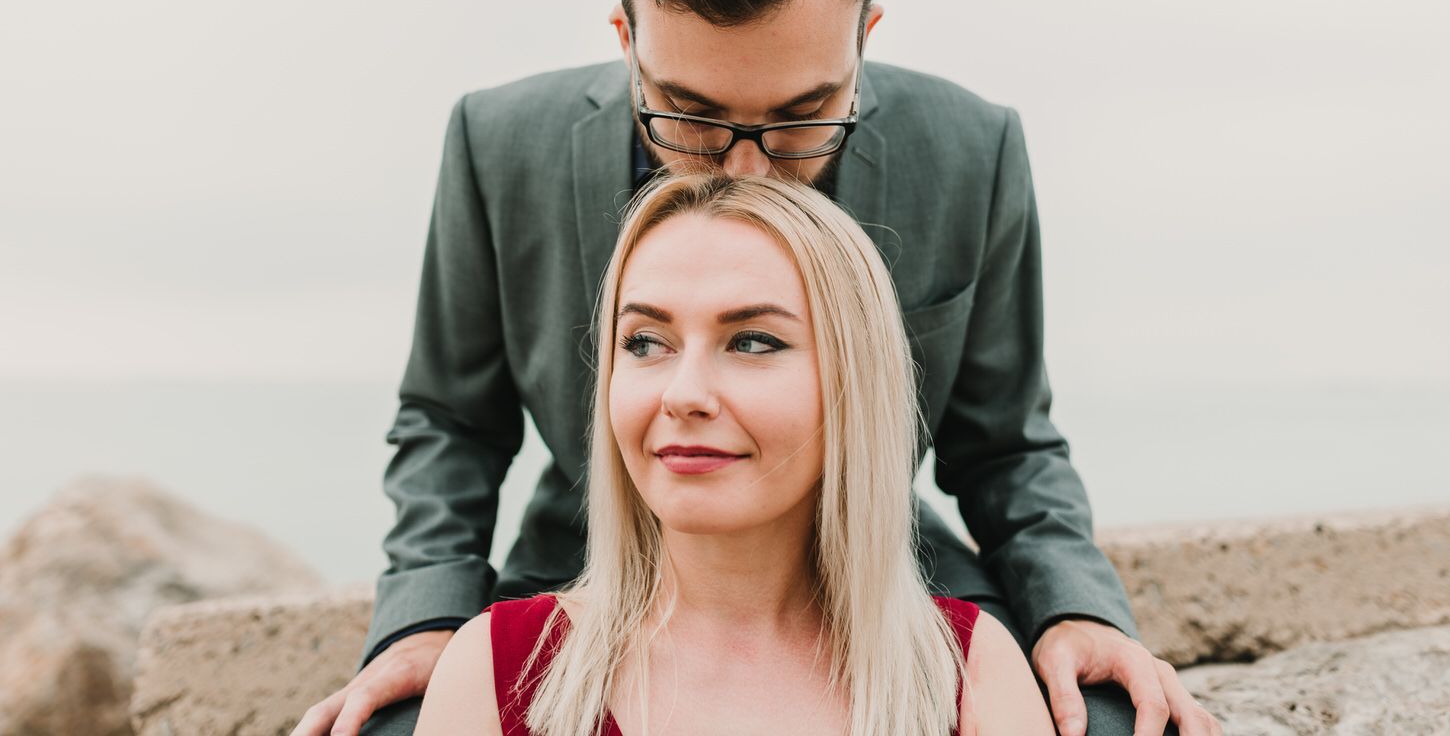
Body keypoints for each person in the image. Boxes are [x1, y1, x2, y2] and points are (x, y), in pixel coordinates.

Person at [294, 0, 1220, 736]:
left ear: (864, 41)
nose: (745, 169)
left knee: (1109, 719)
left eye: (797, 117)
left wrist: (1081, 610)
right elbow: (451, 419)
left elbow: (1009, 443)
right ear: (628, 44)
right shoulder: (497, 142)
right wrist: (424, 619)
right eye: (690, 115)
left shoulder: (971, 150)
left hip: (889, 575)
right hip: (579, 571)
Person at [411, 170, 1057, 735]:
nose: (683, 394)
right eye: (644, 342)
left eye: (751, 341)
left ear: (854, 386)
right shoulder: (499, 674)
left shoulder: (969, 678)